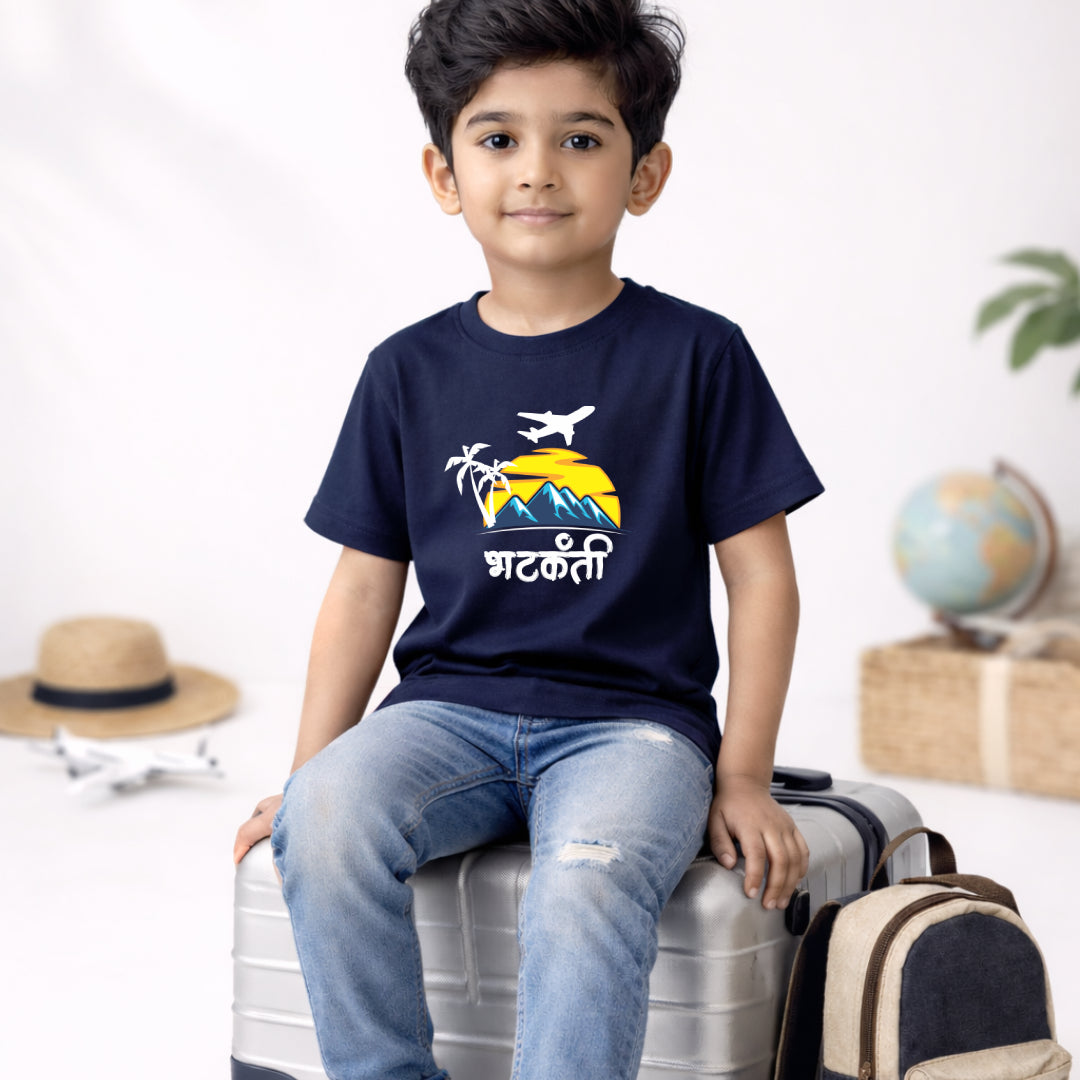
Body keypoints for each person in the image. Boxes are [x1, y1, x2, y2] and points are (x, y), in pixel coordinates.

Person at [234, 2, 824, 1077]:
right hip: (446, 713)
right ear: (444, 174)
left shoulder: (700, 356)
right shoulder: (405, 370)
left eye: (582, 138)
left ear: (645, 175)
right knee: (320, 820)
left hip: (634, 730)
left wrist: (743, 775)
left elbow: (762, 580)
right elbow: (363, 588)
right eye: (499, 138)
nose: (538, 170)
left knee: (588, 878)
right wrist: (311, 774)